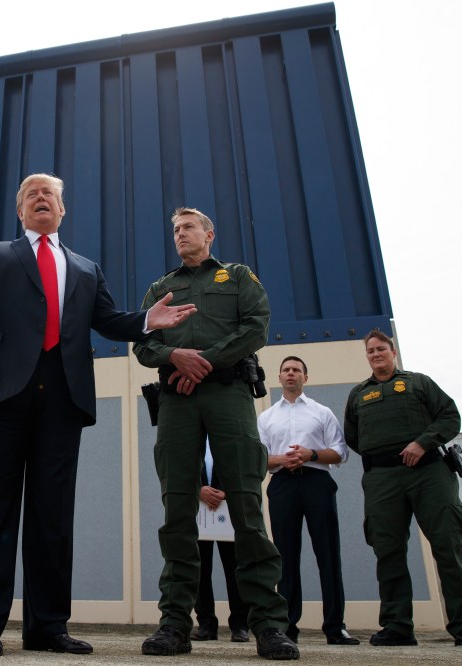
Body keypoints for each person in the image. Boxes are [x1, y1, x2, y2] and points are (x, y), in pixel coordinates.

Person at [0, 173, 196, 657]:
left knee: (52, 517)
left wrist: (146, 322)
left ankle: (48, 626)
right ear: (20, 211)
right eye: (31, 194)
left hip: (62, 399)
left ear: (62, 210)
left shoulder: (85, 268)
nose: (41, 199)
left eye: (49, 194)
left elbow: (108, 321)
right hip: (2, 398)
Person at [133, 207, 298, 661]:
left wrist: (202, 362)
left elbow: (255, 328)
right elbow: (142, 344)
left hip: (227, 394)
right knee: (177, 508)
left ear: (209, 234)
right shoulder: (160, 289)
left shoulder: (239, 277)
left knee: (246, 503)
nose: (180, 235)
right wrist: (175, 357)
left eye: (187, 227)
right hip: (177, 401)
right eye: (174, 230)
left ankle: (268, 624)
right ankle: (175, 624)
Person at [343, 330, 462, 649]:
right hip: (382, 478)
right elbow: (353, 437)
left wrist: (422, 442)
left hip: (429, 472)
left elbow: (450, 417)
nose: (376, 354)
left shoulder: (419, 383)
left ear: (393, 352)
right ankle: (397, 626)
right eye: (371, 351)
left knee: (448, 544)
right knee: (388, 550)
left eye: (381, 349)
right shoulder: (357, 395)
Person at [258, 356, 358, 646]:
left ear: (305, 377)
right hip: (282, 484)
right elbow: (260, 458)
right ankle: (287, 628)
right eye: (286, 370)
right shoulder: (266, 417)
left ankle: (335, 627)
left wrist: (310, 454)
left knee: (328, 554)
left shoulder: (321, 412)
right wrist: (281, 459)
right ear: (279, 377)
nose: (291, 374)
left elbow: (340, 452)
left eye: (296, 370)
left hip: (317, 482)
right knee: (285, 557)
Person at [191, 441, 250, 644]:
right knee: (200, 568)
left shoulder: (226, 431)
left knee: (234, 566)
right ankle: (206, 624)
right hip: (198, 509)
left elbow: (244, 463)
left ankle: (240, 625)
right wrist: (197, 489)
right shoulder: (190, 434)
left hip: (229, 508)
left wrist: (226, 491)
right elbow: (177, 466)